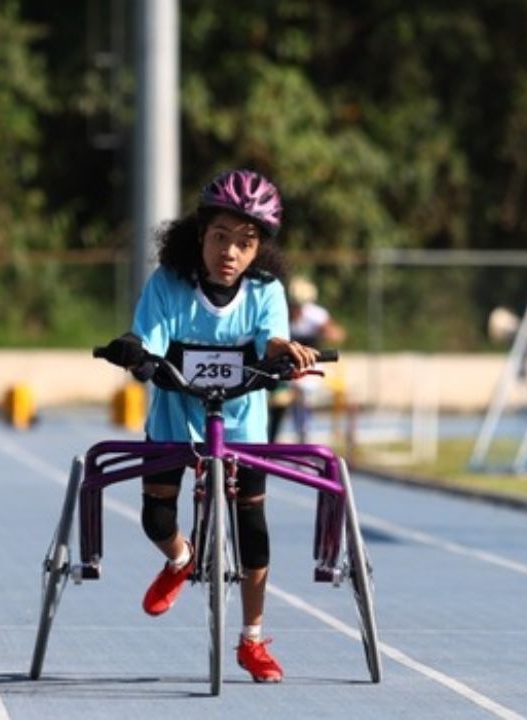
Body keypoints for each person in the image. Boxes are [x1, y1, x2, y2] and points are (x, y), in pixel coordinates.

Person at [98, 168, 317, 683]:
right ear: (201, 235)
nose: (231, 253)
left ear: (258, 248)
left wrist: (285, 350)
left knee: (254, 532)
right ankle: (181, 559)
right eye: (221, 238)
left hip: (241, 426)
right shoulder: (169, 284)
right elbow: (146, 338)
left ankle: (253, 640)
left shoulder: (265, 290)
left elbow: (272, 339)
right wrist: (134, 351)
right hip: (175, 419)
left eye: (245, 243)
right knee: (155, 519)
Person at [267, 276, 345, 443]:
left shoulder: (315, 315)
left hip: (308, 367)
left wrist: (326, 331)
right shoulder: (280, 313)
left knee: (302, 391)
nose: (297, 310)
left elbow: (337, 334)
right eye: (294, 305)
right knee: (278, 400)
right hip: (284, 366)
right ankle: (273, 437)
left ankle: (303, 431)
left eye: (301, 306)